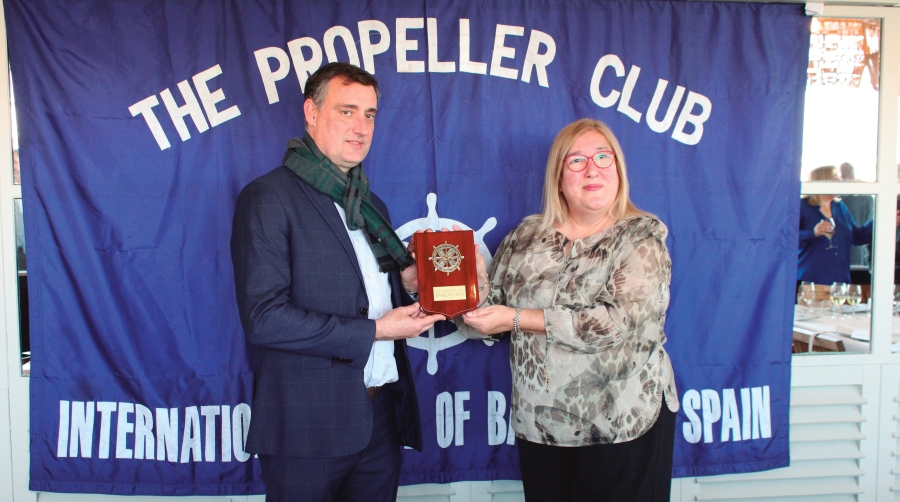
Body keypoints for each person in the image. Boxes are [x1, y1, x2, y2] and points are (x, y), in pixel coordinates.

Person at [230, 62, 444, 501]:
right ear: (311, 112)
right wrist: (380, 331)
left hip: (378, 418)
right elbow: (265, 319)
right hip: (306, 427)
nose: (361, 127)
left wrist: (416, 284)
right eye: (347, 111)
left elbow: (371, 291)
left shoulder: (370, 204)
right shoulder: (269, 197)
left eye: (369, 114)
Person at [459, 118, 679, 502]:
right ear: (559, 178)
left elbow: (612, 324)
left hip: (622, 423)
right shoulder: (526, 236)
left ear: (618, 169)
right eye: (576, 161)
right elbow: (486, 324)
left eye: (602, 157)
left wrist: (515, 317)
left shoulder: (642, 238)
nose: (592, 168)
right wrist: (470, 285)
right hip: (542, 425)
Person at [798, 165, 873, 285]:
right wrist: (813, 233)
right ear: (823, 181)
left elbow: (857, 237)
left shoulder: (840, 207)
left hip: (840, 282)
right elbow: (787, 239)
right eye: (836, 178)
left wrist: (882, 223)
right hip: (812, 282)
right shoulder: (802, 207)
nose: (840, 182)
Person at [839, 162, 874, 268]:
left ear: (842, 176)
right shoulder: (868, 197)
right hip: (862, 247)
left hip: (847, 246)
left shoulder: (842, 201)